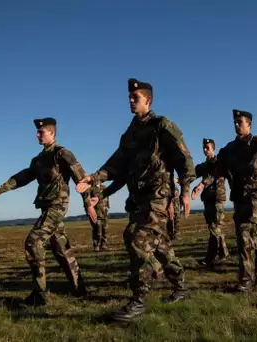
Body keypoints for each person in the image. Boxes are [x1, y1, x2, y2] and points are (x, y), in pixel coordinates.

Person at [78, 78, 195, 322]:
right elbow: (116, 165)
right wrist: (94, 180)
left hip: (158, 197)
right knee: (161, 247)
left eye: (136, 98)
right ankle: (181, 287)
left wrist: (185, 190)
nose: (131, 101)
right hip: (138, 199)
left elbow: (185, 159)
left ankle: (139, 300)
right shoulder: (130, 133)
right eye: (129, 98)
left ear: (148, 100)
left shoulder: (162, 126)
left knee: (135, 238)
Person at [0, 117, 93, 306]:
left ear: (52, 133)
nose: (37, 135)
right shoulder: (39, 159)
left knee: (33, 242)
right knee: (61, 249)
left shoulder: (62, 153)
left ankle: (39, 294)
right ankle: (79, 289)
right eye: (37, 132)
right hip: (47, 207)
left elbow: (81, 178)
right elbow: (22, 177)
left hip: (58, 206)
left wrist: (88, 204)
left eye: (41, 132)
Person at [209, 109, 257, 291]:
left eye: (240, 122)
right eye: (235, 122)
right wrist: (195, 182)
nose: (236, 125)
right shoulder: (229, 149)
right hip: (240, 196)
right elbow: (215, 168)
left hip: (256, 194)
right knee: (250, 237)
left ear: (249, 124)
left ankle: (246, 279)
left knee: (244, 233)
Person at [192, 138, 230, 268]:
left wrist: (202, 184)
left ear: (213, 148)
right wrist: (177, 179)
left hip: (218, 198)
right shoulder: (203, 166)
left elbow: (214, 175)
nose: (204, 150)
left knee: (215, 227)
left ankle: (217, 255)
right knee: (213, 228)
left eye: (207, 147)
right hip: (207, 199)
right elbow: (191, 174)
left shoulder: (218, 162)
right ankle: (216, 255)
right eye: (203, 147)